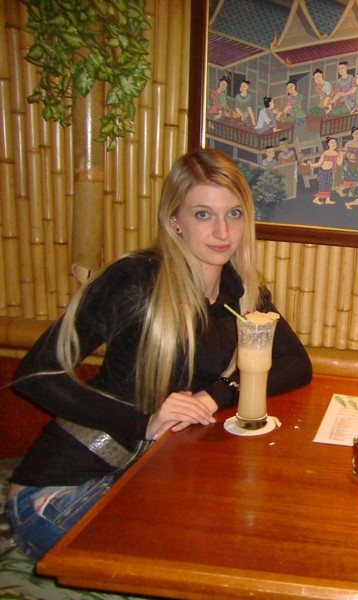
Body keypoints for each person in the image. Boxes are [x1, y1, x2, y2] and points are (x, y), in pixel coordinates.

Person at [5, 149, 313, 562]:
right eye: (203, 214)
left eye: (234, 214)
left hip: (139, 478)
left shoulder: (240, 292)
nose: (223, 231)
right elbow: (36, 374)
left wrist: (217, 394)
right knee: (198, 559)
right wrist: (143, 423)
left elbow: (297, 364)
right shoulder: (136, 280)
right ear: (174, 221)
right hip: (60, 489)